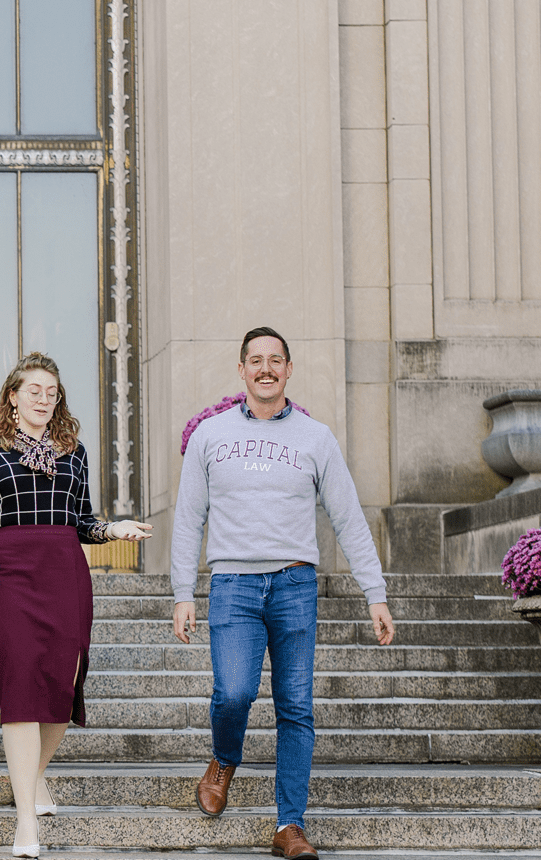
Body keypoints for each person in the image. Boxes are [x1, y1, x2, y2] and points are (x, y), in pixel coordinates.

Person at [170, 326, 396, 860]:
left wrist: (375, 592)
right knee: (235, 693)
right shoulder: (210, 435)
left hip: (295, 585)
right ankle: (225, 757)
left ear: (289, 370)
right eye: (256, 360)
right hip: (232, 585)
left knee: (296, 706)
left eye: (276, 359)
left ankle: (289, 826)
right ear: (242, 370)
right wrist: (183, 592)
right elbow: (187, 519)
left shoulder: (315, 438)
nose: (265, 368)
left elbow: (347, 517)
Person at [0, 354, 151, 857]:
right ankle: (25, 823)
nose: (44, 399)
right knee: (20, 684)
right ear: (12, 396)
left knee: (65, 679)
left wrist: (114, 529)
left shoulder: (74, 452)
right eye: (34, 390)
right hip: (10, 573)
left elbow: (84, 520)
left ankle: (33, 775)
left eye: (52, 392)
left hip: (64, 568)